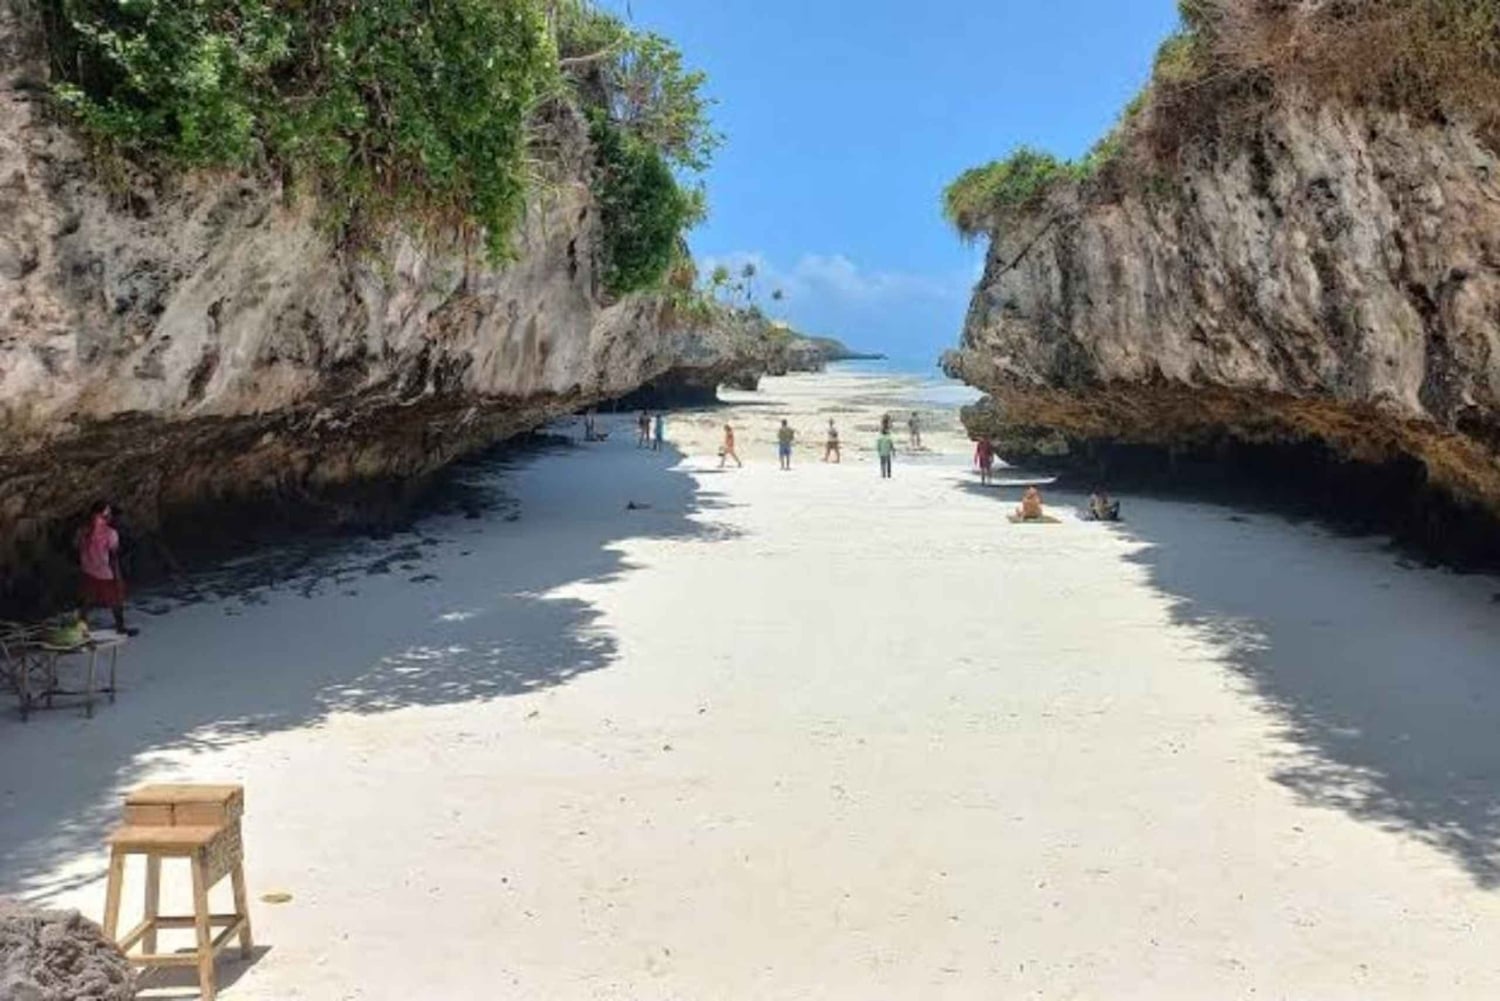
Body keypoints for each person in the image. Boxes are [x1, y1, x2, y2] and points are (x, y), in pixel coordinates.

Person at [76, 500, 137, 636]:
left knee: (86, 602)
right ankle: (120, 627)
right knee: (116, 601)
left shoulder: (83, 531)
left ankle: (81, 629)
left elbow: (78, 548)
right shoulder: (110, 533)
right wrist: (118, 576)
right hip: (105, 572)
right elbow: (113, 556)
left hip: (88, 569)